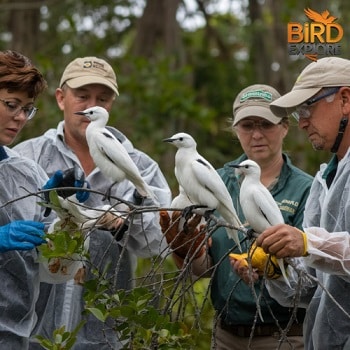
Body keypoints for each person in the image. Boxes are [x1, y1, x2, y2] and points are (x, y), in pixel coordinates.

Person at [14, 56, 172, 349]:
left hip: (104, 330)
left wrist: (125, 222)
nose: (89, 106)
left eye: (102, 98)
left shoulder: (140, 165)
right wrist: (49, 208)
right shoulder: (27, 157)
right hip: (31, 329)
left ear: (109, 105)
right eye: (82, 96)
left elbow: (156, 243)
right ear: (61, 98)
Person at [161, 84, 313, 350]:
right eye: (247, 125)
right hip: (226, 337)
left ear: (285, 126)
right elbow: (202, 269)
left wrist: (270, 269)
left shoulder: (308, 189)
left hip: (286, 337)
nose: (256, 134)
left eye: (266, 124)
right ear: (235, 130)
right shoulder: (212, 179)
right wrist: (187, 250)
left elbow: (311, 275)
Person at [253, 57, 350, 350]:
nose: (303, 122)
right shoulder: (325, 181)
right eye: (298, 113)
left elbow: (317, 248)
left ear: (345, 99)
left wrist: (309, 243)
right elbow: (312, 288)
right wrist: (276, 267)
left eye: (308, 108)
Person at [0, 50, 48, 348]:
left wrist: (58, 204)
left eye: (28, 109)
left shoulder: (25, 172)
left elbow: (52, 235)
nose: (20, 117)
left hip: (14, 335)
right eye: (11, 104)